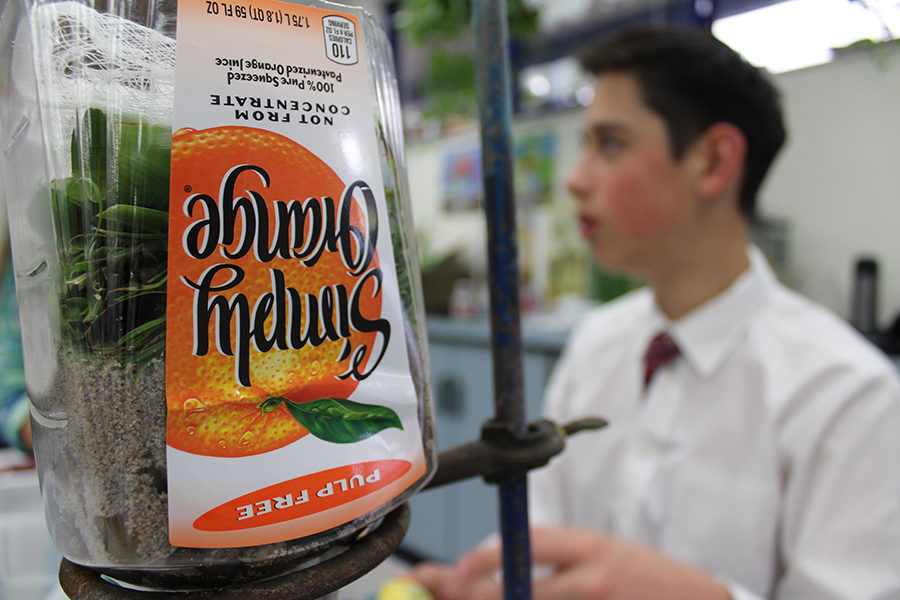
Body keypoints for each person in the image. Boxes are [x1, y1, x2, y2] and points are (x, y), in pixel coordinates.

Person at [409, 24, 900, 599]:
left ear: (713, 161)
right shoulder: (598, 344)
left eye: (610, 144)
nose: (574, 178)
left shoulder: (847, 397)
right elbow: (543, 541)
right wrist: (483, 587)